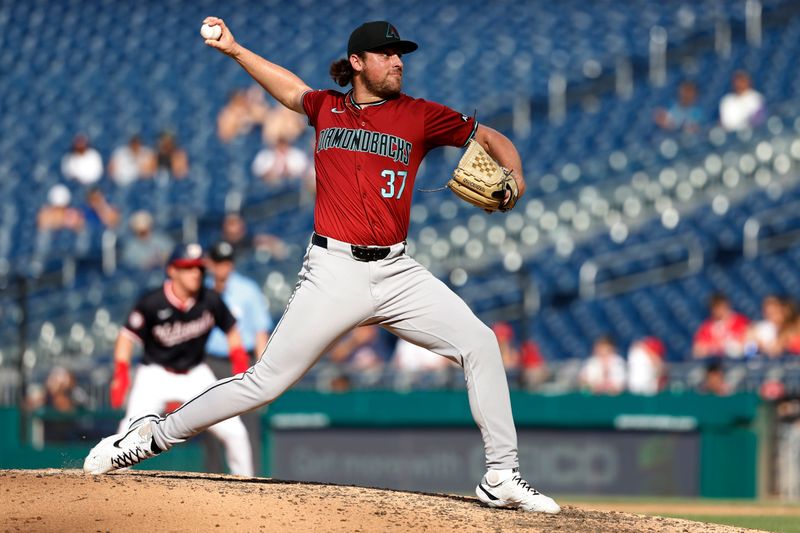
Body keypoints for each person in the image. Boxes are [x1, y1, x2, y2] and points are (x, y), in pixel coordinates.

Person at [84, 18, 559, 514]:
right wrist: (236, 50)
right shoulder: (327, 108)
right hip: (333, 271)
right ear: (357, 62)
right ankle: (148, 436)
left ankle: (501, 475)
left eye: (401, 54)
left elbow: (492, 137)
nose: (398, 61)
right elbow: (290, 89)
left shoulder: (420, 115)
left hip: (398, 272)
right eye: (386, 53)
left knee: (480, 342)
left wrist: (517, 175)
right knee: (265, 381)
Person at [103, 243, 253, 476]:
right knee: (128, 434)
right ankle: (112, 484)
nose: (196, 273)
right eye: (188, 267)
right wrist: (121, 374)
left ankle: (248, 487)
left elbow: (232, 329)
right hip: (155, 375)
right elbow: (126, 337)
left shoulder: (210, 299)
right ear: (172, 270)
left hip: (196, 375)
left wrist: (239, 361)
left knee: (235, 432)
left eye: (199, 268)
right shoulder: (152, 302)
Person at [203, 240, 272, 475]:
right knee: (209, 422)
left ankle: (250, 480)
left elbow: (260, 330)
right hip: (210, 361)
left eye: (228, 261)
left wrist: (263, 369)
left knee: (248, 422)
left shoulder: (247, 289)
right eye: (219, 261)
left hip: (242, 361)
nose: (224, 267)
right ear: (211, 263)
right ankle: (211, 477)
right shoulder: (202, 290)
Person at [692, 293, 750, 359]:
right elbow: (698, 350)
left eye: (720, 306)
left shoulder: (741, 321)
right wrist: (716, 346)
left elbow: (749, 342)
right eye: (715, 307)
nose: (718, 310)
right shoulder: (707, 326)